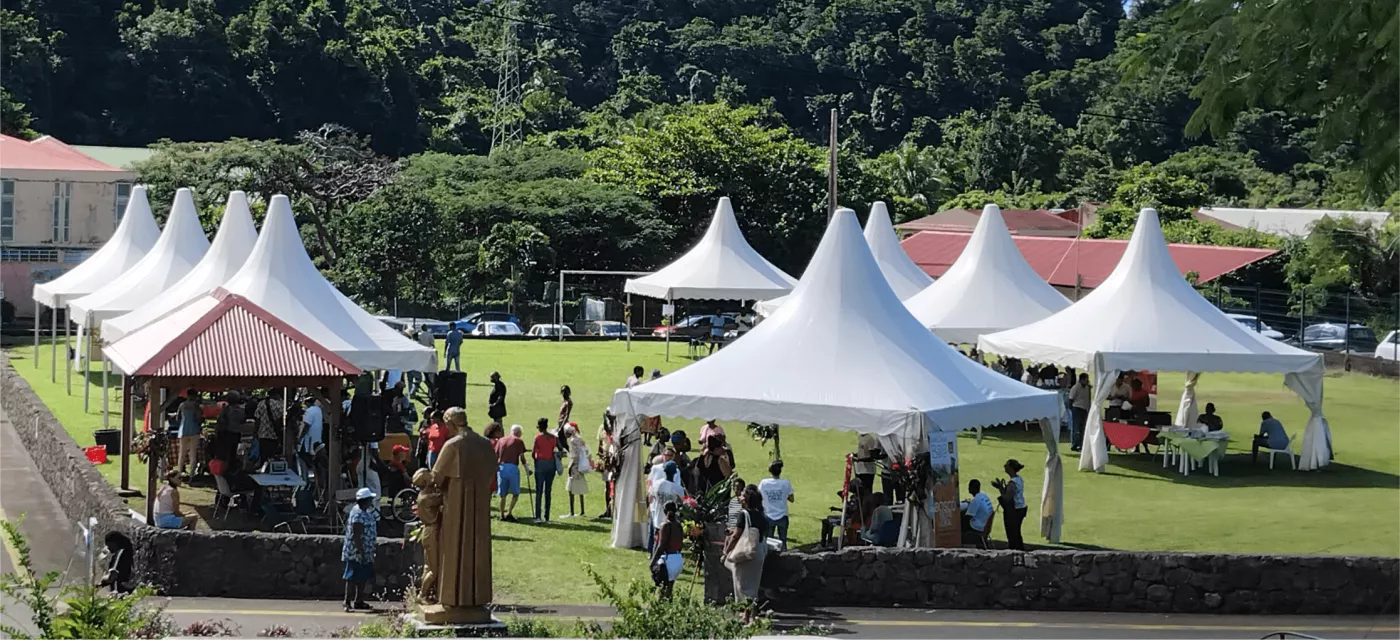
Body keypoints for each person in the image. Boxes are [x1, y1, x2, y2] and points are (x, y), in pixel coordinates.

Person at [723, 484, 769, 623]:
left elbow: (736, 536)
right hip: (758, 552)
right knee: (752, 586)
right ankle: (750, 614)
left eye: (743, 495)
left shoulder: (744, 514)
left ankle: (744, 615)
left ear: (747, 499)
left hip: (743, 554)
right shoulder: (761, 514)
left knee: (741, 585)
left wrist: (726, 551)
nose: (740, 497)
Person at [342, 487, 378, 612]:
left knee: (362, 576)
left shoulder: (365, 512)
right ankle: (347, 602)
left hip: (366, 550)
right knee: (352, 576)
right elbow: (356, 535)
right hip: (356, 552)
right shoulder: (357, 514)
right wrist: (360, 551)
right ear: (365, 500)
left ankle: (358, 601)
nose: (371, 501)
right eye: (370, 499)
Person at [648, 461, 685, 552]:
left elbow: (650, 499)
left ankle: (655, 562)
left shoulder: (656, 484)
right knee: (670, 545)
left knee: (657, 543)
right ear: (675, 473)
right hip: (672, 522)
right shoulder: (679, 489)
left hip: (658, 519)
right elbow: (682, 504)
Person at [494, 424, 528, 521]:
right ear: (518, 433)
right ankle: (509, 513)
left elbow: (496, 455)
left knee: (502, 494)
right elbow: (522, 457)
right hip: (512, 467)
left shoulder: (501, 440)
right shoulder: (518, 441)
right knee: (515, 493)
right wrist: (526, 469)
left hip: (501, 468)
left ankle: (501, 515)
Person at [651, 501, 684, 599]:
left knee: (662, 591)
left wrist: (653, 561)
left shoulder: (664, 526)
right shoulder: (679, 526)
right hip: (678, 559)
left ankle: (661, 611)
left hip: (668, 559)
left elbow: (661, 546)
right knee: (669, 589)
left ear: (664, 511)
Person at [757, 460, 794, 546]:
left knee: (768, 542)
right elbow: (792, 499)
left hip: (768, 515)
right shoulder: (785, 483)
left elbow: (759, 495)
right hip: (782, 515)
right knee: (783, 541)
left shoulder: (764, 483)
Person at [992, 459, 1027, 551]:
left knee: (1012, 533)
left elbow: (1007, 498)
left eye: (1006, 465)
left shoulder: (1012, 483)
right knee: (1016, 532)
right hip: (1021, 508)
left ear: (1011, 468)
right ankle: (1019, 549)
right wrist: (1000, 487)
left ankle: (1015, 550)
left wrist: (1001, 490)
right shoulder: (1018, 479)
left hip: (1014, 510)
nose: (1004, 466)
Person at [531, 418, 559, 522]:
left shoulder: (537, 437)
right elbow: (560, 448)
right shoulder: (553, 437)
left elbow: (533, 453)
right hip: (551, 464)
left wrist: (537, 460)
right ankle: (547, 516)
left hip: (540, 464)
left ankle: (538, 516)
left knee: (538, 491)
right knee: (548, 490)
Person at [563, 425, 590, 518]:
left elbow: (574, 455)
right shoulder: (579, 438)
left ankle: (571, 511)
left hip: (574, 466)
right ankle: (582, 510)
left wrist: (569, 467)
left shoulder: (572, 441)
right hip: (580, 466)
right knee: (580, 489)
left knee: (571, 489)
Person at [959, 479, 994, 546]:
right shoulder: (983, 495)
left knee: (961, 523)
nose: (968, 488)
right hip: (985, 524)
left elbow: (967, 517)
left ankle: (960, 544)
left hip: (979, 526)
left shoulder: (976, 500)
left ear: (973, 488)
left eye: (969, 486)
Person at [253, 391, 284, 463]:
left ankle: (263, 466)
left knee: (263, 454)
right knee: (273, 455)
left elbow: (257, 419)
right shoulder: (279, 405)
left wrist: (255, 432)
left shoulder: (261, 403)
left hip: (262, 433)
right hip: (274, 434)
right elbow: (282, 420)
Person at [177, 389, 203, 476]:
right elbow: (199, 418)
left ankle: (179, 472)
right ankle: (192, 474)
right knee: (193, 453)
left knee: (182, 453)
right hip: (194, 430)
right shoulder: (196, 405)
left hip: (183, 430)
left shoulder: (182, 405)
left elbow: (178, 418)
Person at [1068, 373, 1091, 452]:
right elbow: (1071, 399)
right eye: (1085, 379)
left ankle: (1081, 444)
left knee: (1082, 428)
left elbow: (1088, 399)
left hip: (1084, 409)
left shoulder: (1087, 388)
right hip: (1077, 408)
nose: (1087, 381)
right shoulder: (1075, 387)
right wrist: (1072, 409)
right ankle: (1074, 444)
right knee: (1076, 428)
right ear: (1081, 380)